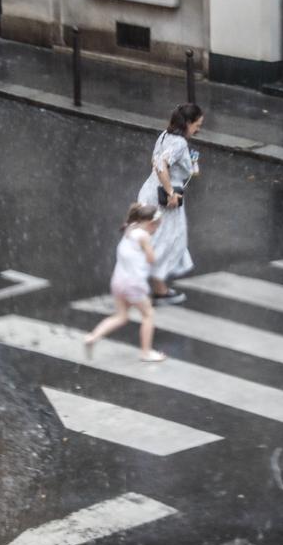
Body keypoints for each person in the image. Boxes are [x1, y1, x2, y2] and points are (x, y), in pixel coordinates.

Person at [137, 103, 203, 305]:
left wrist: (187, 167)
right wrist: (170, 191)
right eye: (197, 125)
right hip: (163, 199)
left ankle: (146, 280)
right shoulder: (179, 143)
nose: (198, 129)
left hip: (149, 192)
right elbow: (160, 164)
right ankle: (157, 288)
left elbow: (155, 161)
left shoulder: (165, 135)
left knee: (159, 238)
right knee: (169, 240)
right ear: (188, 123)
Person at [84, 203, 166, 362]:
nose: (156, 230)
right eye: (157, 226)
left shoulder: (131, 228)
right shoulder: (144, 236)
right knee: (148, 315)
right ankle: (146, 352)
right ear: (150, 224)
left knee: (121, 316)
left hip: (118, 281)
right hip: (134, 284)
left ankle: (92, 337)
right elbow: (152, 259)